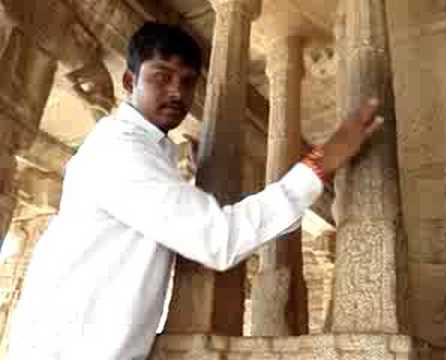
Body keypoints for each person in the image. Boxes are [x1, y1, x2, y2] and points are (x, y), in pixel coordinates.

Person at [6, 22, 382, 359]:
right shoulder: (119, 151)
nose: (176, 91)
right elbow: (218, 239)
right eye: (162, 76)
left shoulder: (153, 152)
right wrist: (320, 162)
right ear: (129, 82)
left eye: (187, 80)